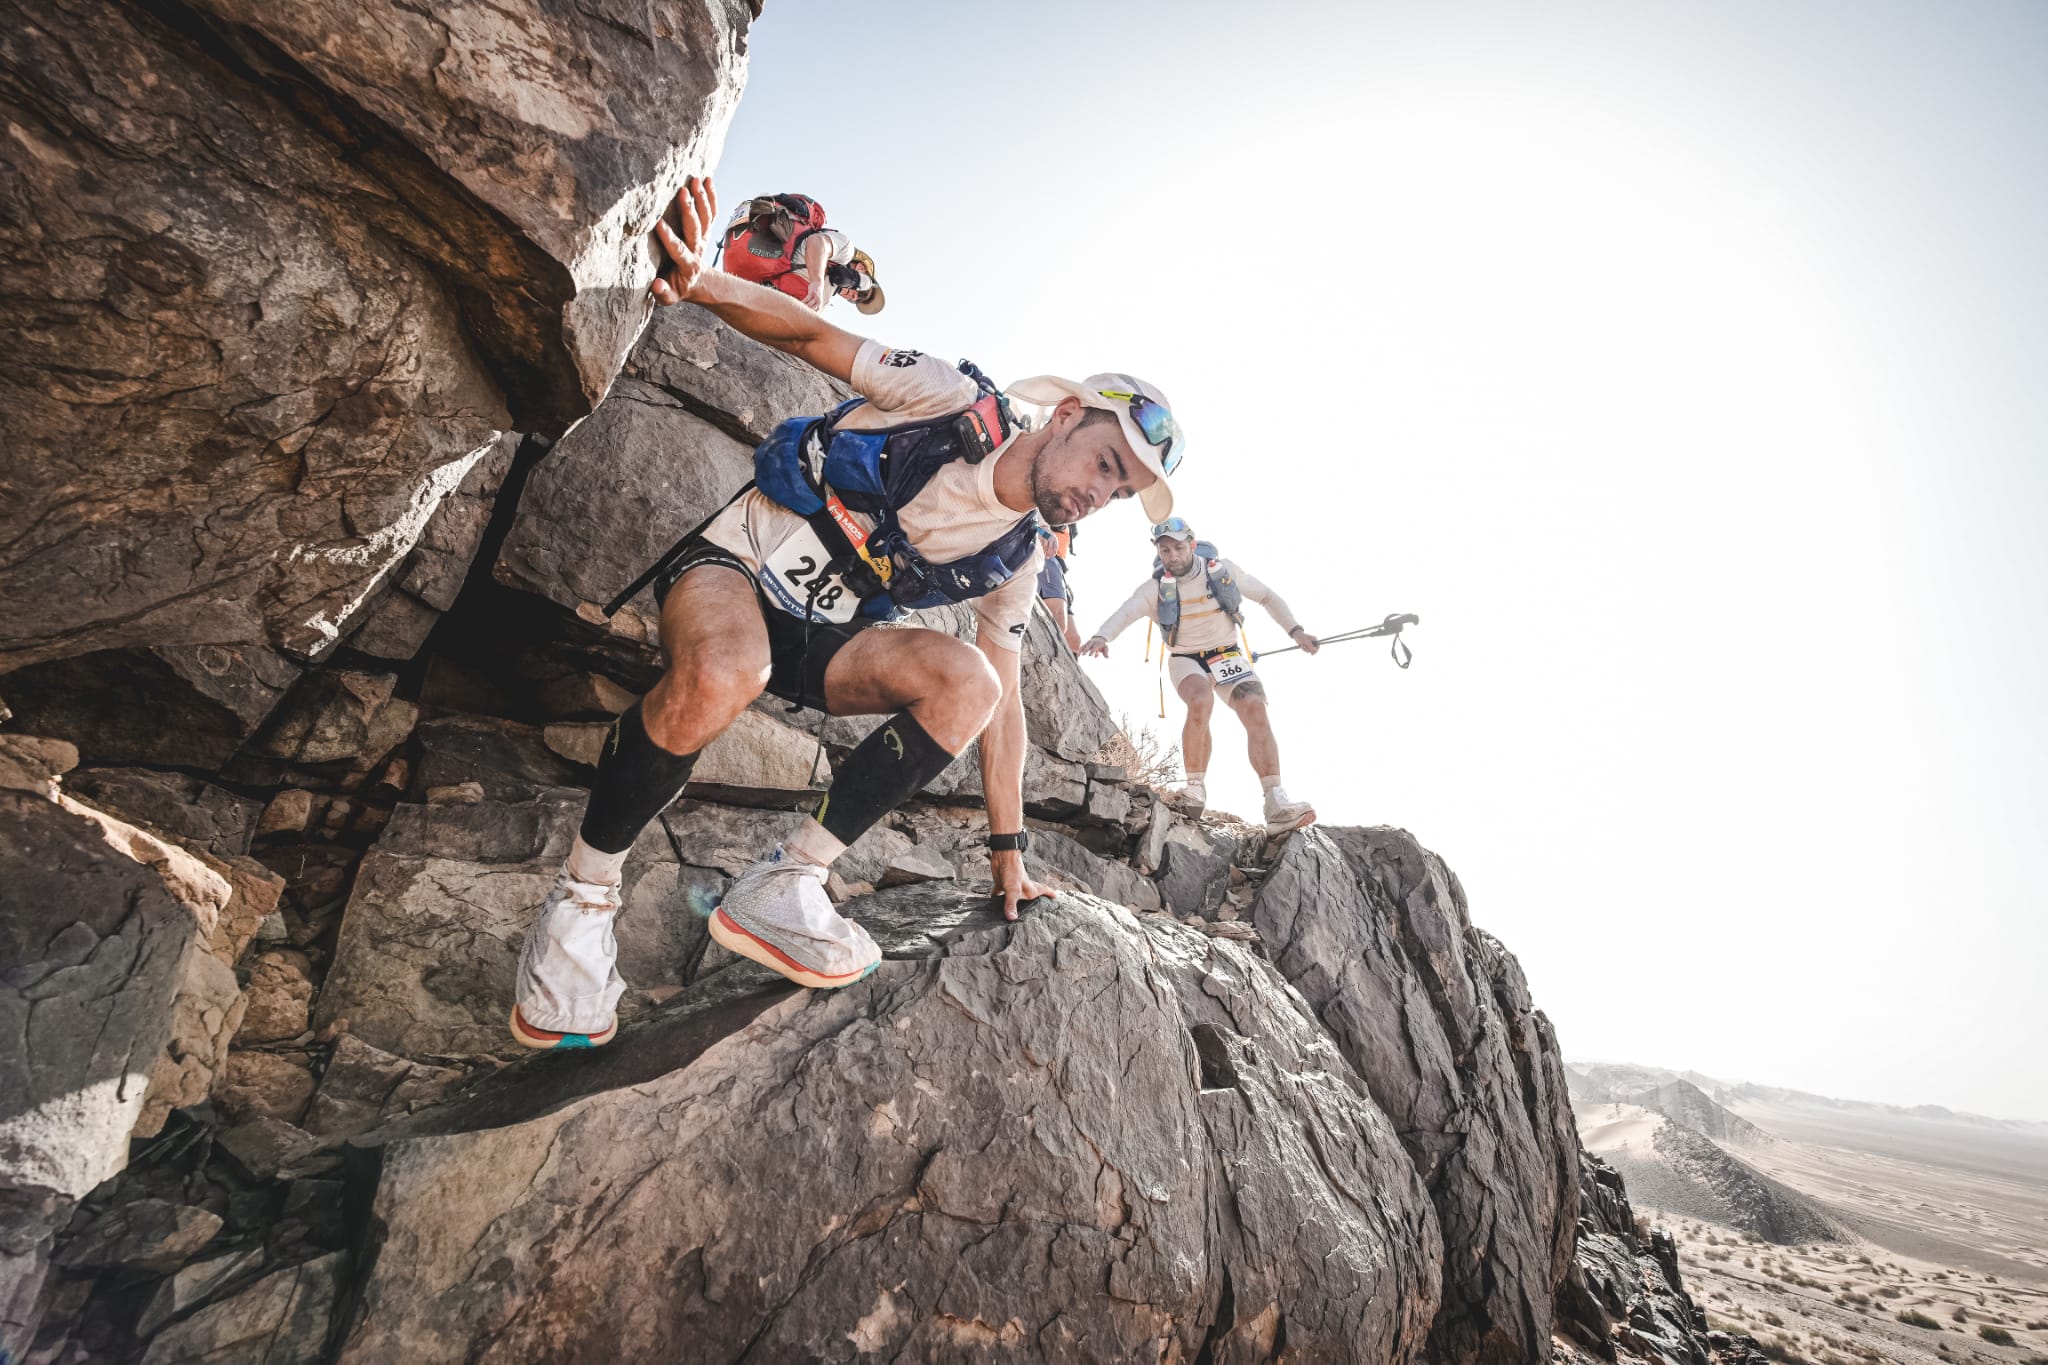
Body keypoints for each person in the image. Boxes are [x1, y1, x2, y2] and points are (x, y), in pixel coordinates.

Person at [507, 176, 1183, 1050]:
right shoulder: (948, 401)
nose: (1098, 494)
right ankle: (581, 904)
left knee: (970, 679)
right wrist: (697, 282)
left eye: (1119, 489)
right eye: (1102, 463)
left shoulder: (1020, 557)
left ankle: (788, 882)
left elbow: (1003, 707)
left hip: (823, 640)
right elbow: (815, 331)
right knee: (725, 670)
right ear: (1062, 418)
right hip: (736, 567)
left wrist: (1007, 850)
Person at [1080, 519, 1318, 835]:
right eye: (1165, 550)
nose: (1173, 555)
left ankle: (1276, 800)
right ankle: (1194, 789)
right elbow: (1127, 611)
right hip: (1186, 659)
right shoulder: (1155, 589)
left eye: (1178, 548)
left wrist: (1296, 631)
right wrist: (1102, 636)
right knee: (1200, 702)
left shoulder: (1222, 571)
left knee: (1255, 708)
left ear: (1192, 546)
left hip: (1227, 653)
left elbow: (1267, 596)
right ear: (1158, 552)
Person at [718, 192, 885, 314]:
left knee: (813, 311)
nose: (854, 297)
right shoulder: (845, 250)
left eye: (854, 301)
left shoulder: (822, 299)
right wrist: (817, 282)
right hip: (759, 248)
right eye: (861, 293)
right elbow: (817, 243)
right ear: (861, 268)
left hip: (740, 271)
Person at [1035, 522, 1082, 651]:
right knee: (1057, 619)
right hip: (1044, 552)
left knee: (1073, 640)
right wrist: (1043, 531)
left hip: (1058, 564)